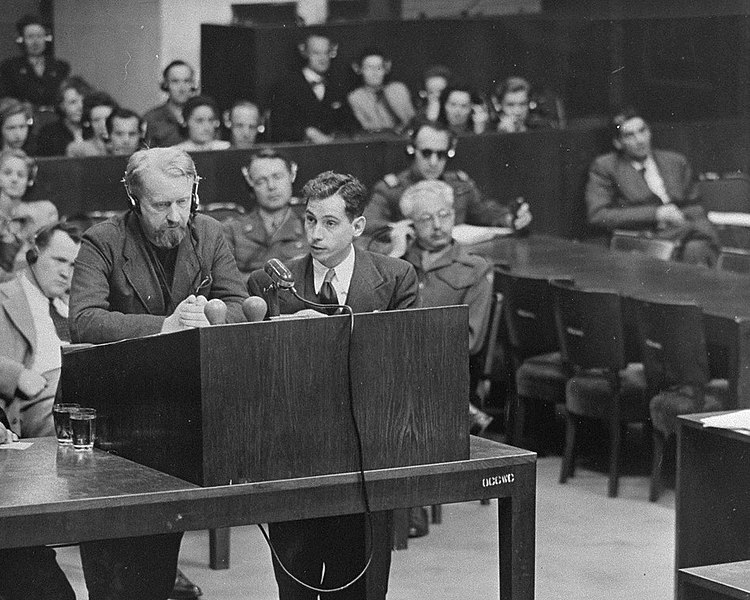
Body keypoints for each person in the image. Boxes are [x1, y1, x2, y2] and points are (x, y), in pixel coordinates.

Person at [69, 147, 248, 600]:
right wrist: (163, 327)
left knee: (158, 553)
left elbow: (240, 305)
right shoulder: (102, 240)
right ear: (133, 198)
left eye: (183, 202)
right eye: (160, 205)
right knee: (119, 559)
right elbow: (84, 319)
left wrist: (215, 316)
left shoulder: (209, 233)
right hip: (118, 413)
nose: (175, 217)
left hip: (189, 406)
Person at [247, 171, 418, 600]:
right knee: (296, 588)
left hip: (366, 455)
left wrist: (331, 329)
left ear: (357, 227)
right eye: (309, 220)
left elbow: (405, 362)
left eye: (329, 222)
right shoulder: (270, 284)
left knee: (360, 588)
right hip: (294, 455)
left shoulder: (396, 278)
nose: (315, 234)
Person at [0, 221, 80, 600]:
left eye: (75, 265)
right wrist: (15, 374)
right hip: (32, 400)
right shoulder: (5, 295)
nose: (67, 272)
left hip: (77, 390)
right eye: (60, 260)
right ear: (34, 254)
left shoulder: (76, 306)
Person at [365, 120, 531, 253]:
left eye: (441, 154)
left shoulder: (459, 185)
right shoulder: (391, 189)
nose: (434, 162)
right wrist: (404, 229)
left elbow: (484, 211)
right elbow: (369, 223)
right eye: (426, 153)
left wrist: (511, 218)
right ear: (411, 150)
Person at [585, 108, 719, 265]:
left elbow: (695, 206)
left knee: (697, 248)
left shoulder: (675, 161)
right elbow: (598, 215)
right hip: (643, 236)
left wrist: (683, 220)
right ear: (618, 142)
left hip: (682, 231)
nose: (640, 140)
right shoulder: (605, 166)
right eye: (630, 135)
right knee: (700, 235)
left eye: (643, 131)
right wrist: (656, 214)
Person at [222, 148, 307, 276]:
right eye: (261, 181)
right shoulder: (231, 231)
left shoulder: (309, 227)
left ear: (291, 176)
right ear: (251, 184)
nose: (271, 186)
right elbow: (225, 280)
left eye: (277, 177)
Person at [268, 34, 355, 143]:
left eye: (327, 52)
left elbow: (349, 123)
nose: (323, 58)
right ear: (305, 53)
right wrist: (307, 133)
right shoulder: (287, 85)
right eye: (317, 53)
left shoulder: (337, 85)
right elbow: (279, 127)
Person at [0, 149, 58, 281]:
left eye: (21, 175)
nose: (14, 179)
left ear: (29, 180)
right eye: (7, 173)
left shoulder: (41, 212)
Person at [0, 15, 70, 113]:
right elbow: (5, 100)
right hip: (22, 119)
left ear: (46, 38)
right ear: (22, 39)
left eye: (39, 36)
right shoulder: (9, 67)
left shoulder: (60, 66)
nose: (35, 42)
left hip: (55, 118)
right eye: (30, 37)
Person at [347, 48, 415, 134]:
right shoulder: (356, 97)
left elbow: (412, 119)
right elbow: (370, 128)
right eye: (369, 67)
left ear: (385, 69)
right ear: (360, 70)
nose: (375, 73)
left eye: (379, 67)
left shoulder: (398, 88)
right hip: (382, 141)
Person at [144, 60, 196, 148]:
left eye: (186, 81)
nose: (182, 88)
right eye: (175, 81)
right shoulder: (151, 119)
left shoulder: (203, 117)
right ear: (166, 84)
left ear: (193, 84)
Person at [36, 76, 91, 156]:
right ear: (62, 105)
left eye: (84, 101)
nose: (80, 107)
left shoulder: (94, 131)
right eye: (73, 102)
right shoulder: (48, 134)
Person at [66, 90, 118, 157]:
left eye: (107, 119)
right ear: (89, 123)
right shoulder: (77, 149)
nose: (103, 125)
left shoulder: (126, 145)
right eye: (97, 120)